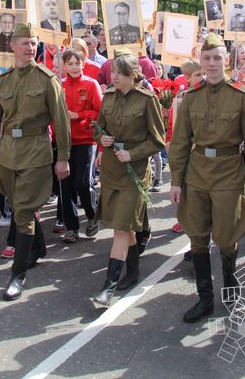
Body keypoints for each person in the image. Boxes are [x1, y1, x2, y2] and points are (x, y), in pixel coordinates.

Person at [168, 34, 245, 319]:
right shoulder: (191, 96)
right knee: (197, 236)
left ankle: (230, 285)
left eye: (217, 58)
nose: (211, 64)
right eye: (207, 58)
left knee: (226, 236)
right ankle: (205, 298)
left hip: (228, 172)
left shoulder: (241, 96)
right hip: (196, 174)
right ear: (200, 60)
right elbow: (181, 141)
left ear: (227, 60)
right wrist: (176, 180)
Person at [0, 23, 71, 301]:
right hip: (8, 154)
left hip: (36, 151)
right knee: (18, 206)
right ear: (12, 46)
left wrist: (63, 157)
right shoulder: (4, 82)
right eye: (25, 43)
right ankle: (38, 248)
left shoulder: (46, 80)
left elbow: (62, 121)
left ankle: (17, 276)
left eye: (33, 43)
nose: (30, 48)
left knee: (24, 212)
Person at [92, 53, 165, 308]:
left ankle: (107, 288)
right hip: (112, 170)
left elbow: (158, 140)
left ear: (133, 75)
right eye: (113, 72)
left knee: (121, 227)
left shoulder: (147, 100)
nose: (113, 77)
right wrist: (102, 140)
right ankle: (132, 271)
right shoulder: (109, 97)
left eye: (119, 74)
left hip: (134, 170)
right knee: (123, 225)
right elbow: (97, 128)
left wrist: (132, 153)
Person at [59, 47, 102, 243]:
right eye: (70, 63)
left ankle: (92, 215)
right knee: (65, 186)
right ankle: (71, 228)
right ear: (64, 65)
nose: (74, 67)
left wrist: (80, 115)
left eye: (77, 63)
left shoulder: (91, 84)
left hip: (86, 141)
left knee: (83, 183)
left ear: (83, 63)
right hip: (65, 142)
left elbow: (100, 113)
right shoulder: (60, 86)